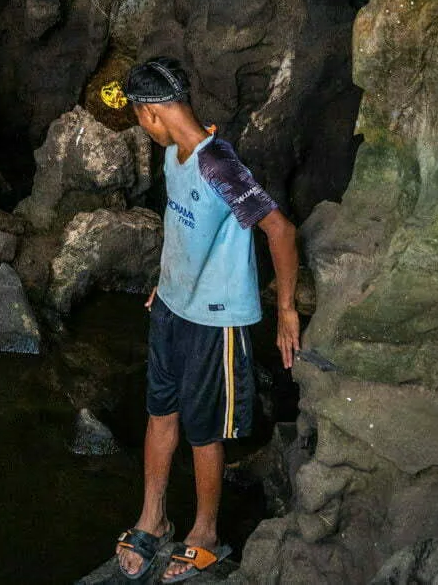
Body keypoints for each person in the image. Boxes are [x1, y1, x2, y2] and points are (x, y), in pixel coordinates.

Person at [104, 57, 301, 583]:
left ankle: (205, 533)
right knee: (160, 413)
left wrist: (285, 310)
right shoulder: (175, 153)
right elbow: (183, 226)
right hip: (171, 309)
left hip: (216, 323)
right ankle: (154, 518)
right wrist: (164, 283)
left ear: (149, 114)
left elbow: (279, 230)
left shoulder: (219, 164)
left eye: (137, 118)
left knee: (203, 430)